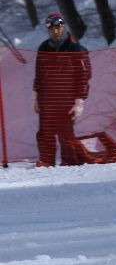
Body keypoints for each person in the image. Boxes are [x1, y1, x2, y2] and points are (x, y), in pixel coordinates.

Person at [33, 12, 92, 167]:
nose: (55, 31)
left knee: (65, 133)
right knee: (45, 133)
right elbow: (39, 74)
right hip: (47, 99)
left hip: (67, 99)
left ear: (63, 27)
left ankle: (70, 162)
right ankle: (46, 162)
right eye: (52, 28)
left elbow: (84, 75)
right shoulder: (44, 47)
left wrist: (79, 100)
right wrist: (36, 96)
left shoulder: (75, 47)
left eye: (58, 27)